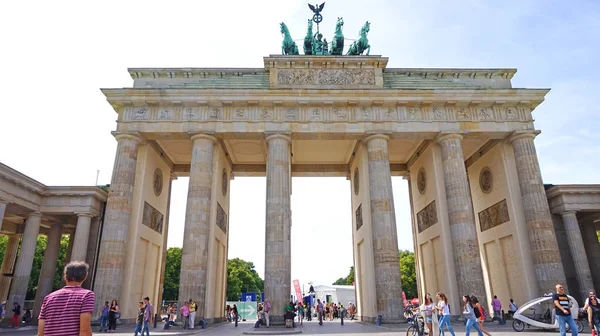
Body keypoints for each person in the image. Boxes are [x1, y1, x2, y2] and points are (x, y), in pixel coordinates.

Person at [37, 261, 95, 336]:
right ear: (85, 277)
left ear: (65, 276)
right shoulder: (86, 295)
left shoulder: (49, 298)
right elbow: (84, 330)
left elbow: (41, 332)